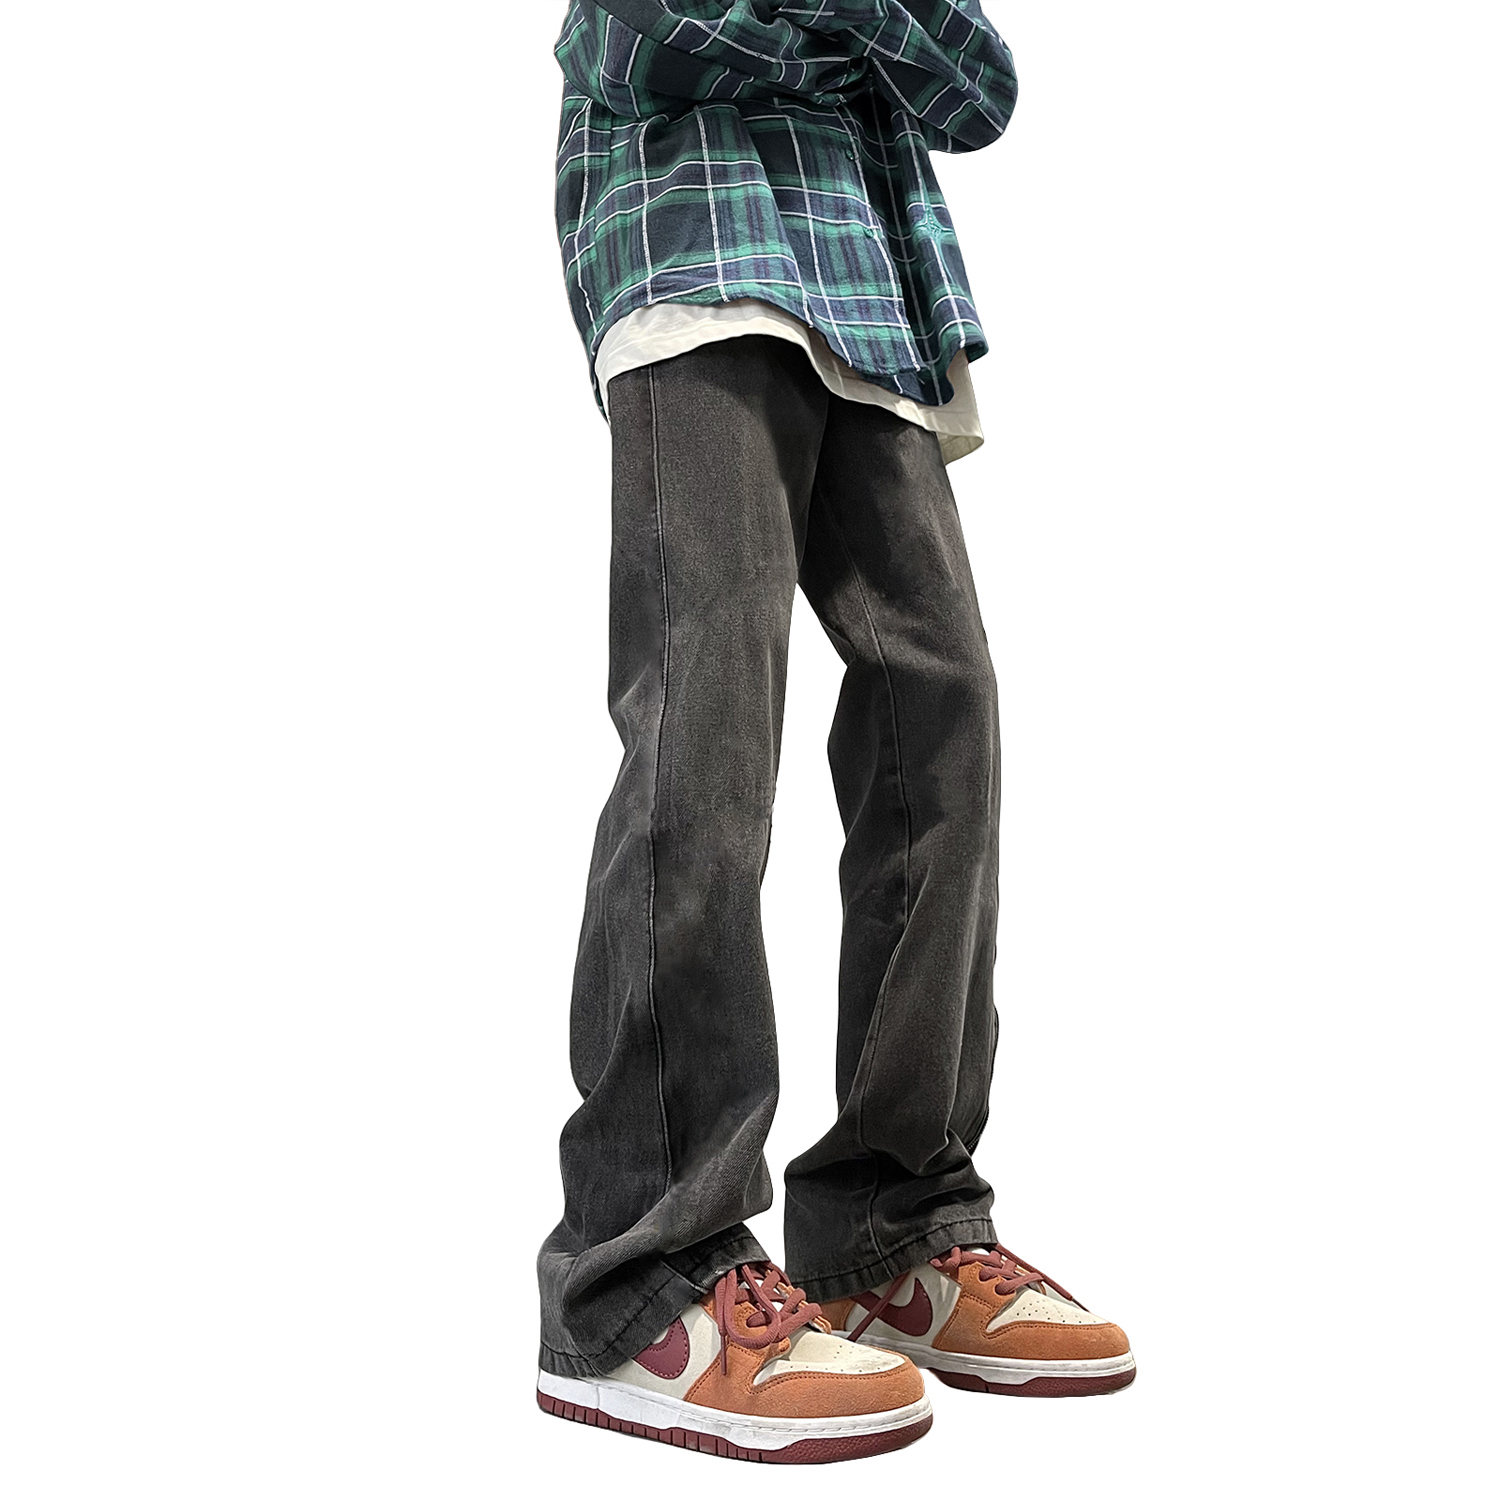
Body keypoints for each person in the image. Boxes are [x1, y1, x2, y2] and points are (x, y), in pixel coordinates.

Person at [535, 1, 1134, 1461]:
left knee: (946, 722)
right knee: (707, 730)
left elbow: (976, 88)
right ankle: (635, 1279)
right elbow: (643, 38)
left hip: (873, 311)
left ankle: (893, 1229)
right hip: (692, 264)